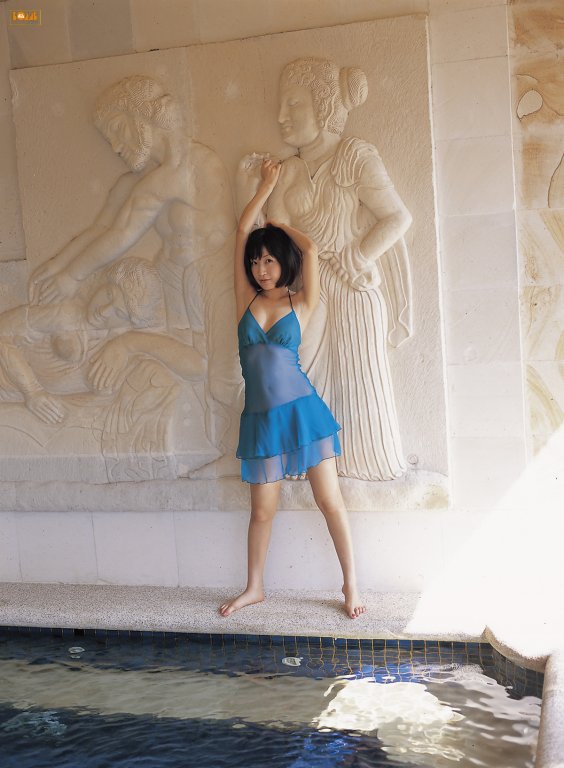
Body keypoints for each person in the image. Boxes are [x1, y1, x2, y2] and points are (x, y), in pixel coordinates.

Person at [243, 57, 413, 481]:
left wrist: (359, 255)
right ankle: (303, 466)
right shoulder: (288, 171)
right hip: (307, 295)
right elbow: (276, 240)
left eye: (293, 104)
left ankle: (365, 468)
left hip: (350, 291)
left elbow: (397, 217)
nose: (281, 117)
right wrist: (255, 188)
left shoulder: (355, 157)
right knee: (297, 376)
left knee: (358, 397)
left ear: (322, 106)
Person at [220, 158, 365, 619]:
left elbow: (313, 249)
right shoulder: (245, 299)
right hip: (261, 421)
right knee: (262, 512)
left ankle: (351, 585)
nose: (261, 268)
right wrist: (265, 187)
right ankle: (254, 588)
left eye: (269, 259)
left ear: (283, 261)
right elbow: (241, 231)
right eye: (256, 261)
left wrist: (279, 226)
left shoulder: (301, 301)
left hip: (304, 414)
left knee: (329, 501)